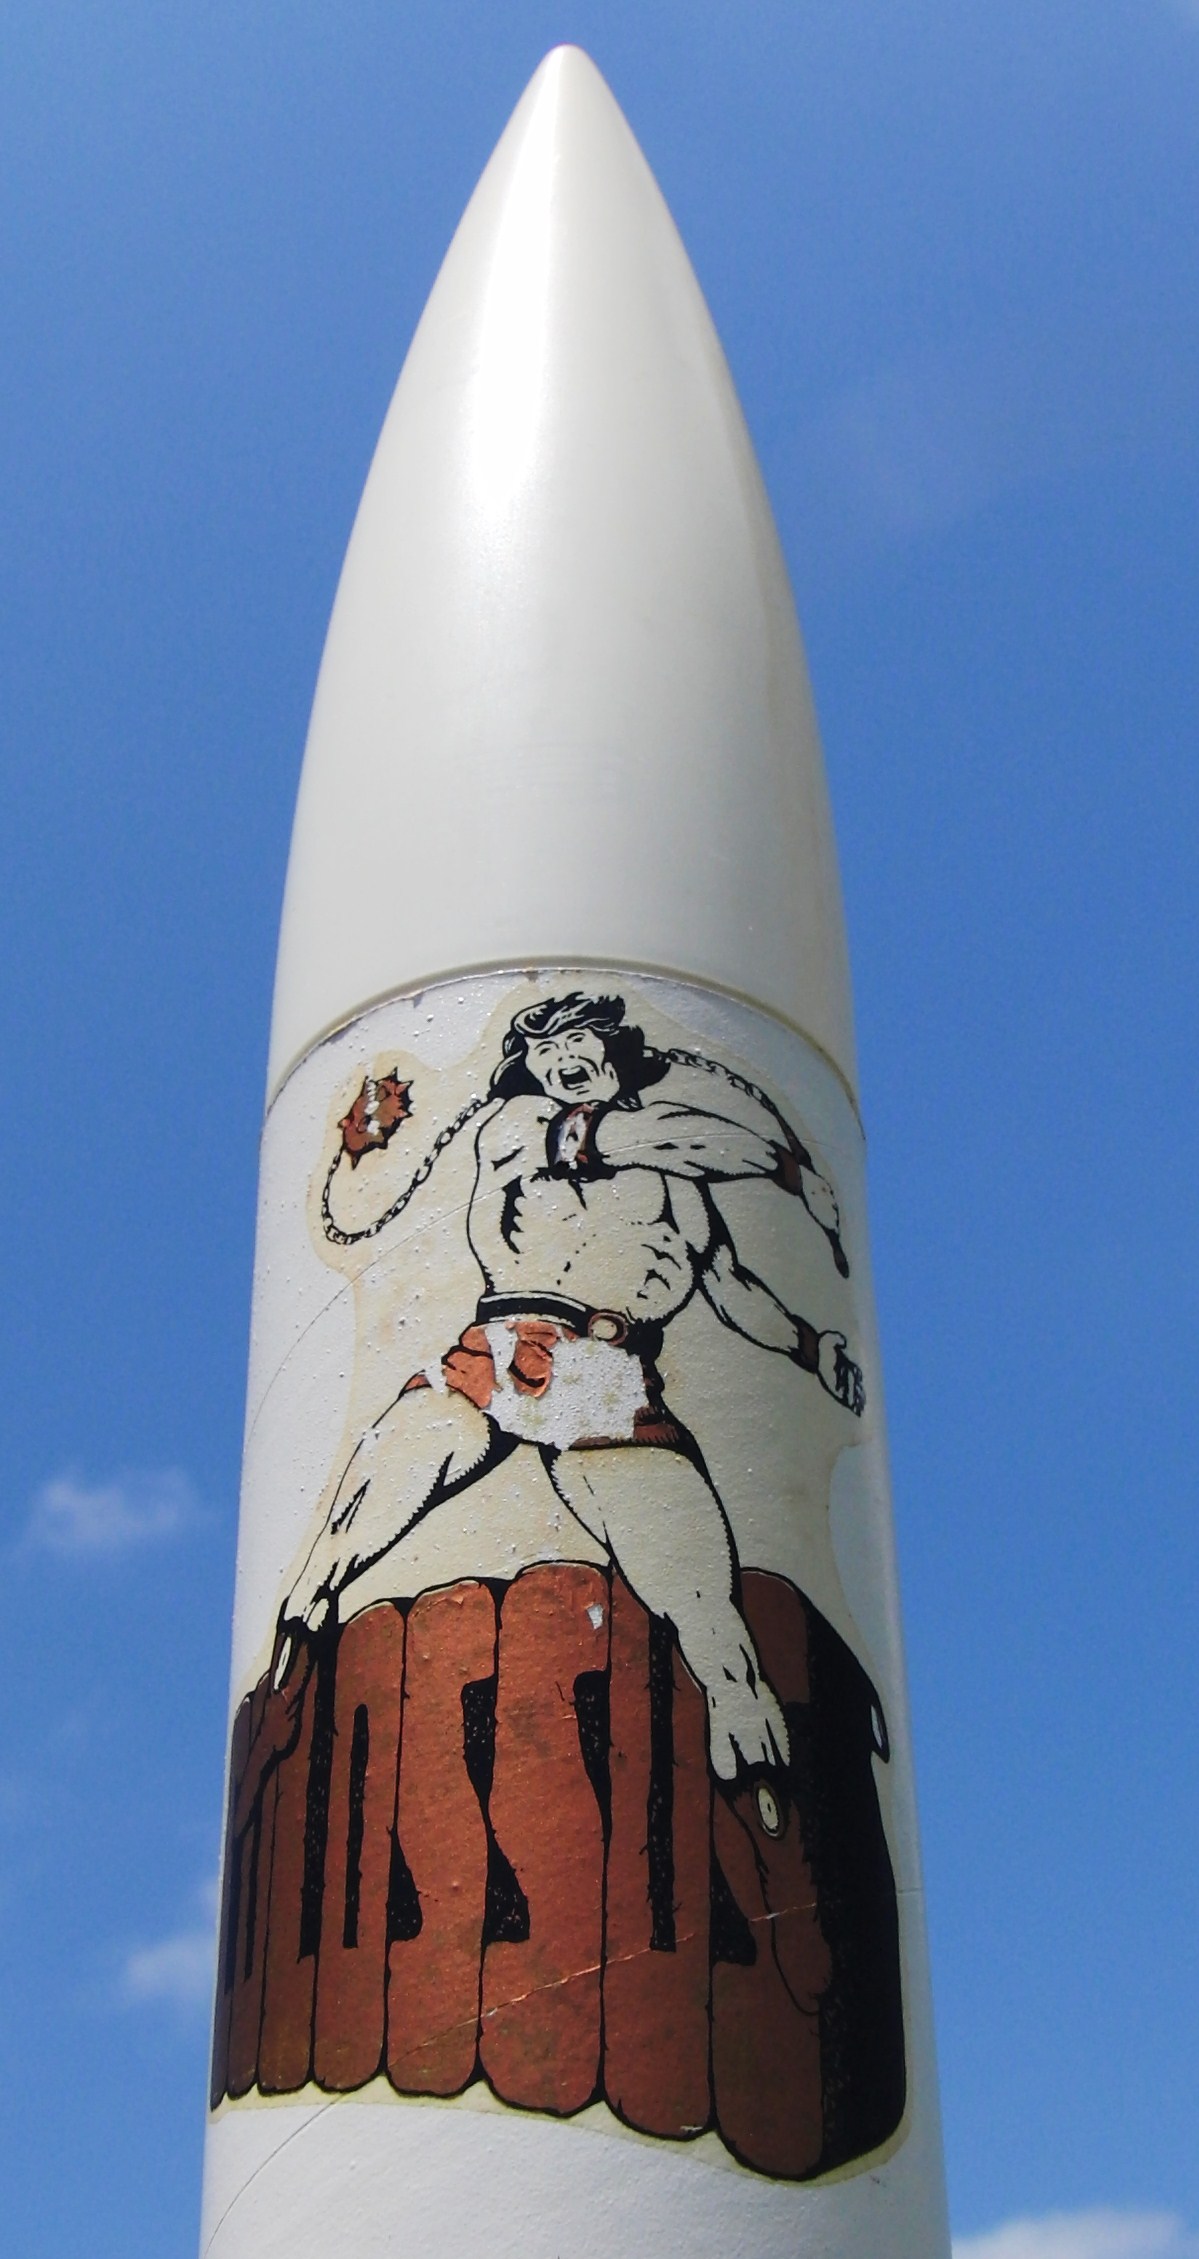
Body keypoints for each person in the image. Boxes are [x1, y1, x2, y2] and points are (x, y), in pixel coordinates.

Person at [242, 993, 864, 1852]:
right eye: (543, 1048)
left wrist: (810, 1345)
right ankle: (294, 1653)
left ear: (615, 1050)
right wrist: (789, 1171)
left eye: (577, 1039)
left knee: (702, 1599)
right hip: (508, 1344)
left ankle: (753, 1770)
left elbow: (732, 1291)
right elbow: (662, 1139)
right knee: (356, 1520)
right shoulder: (520, 1126)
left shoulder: (685, 1204)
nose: (560, 1057)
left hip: (608, 1378)